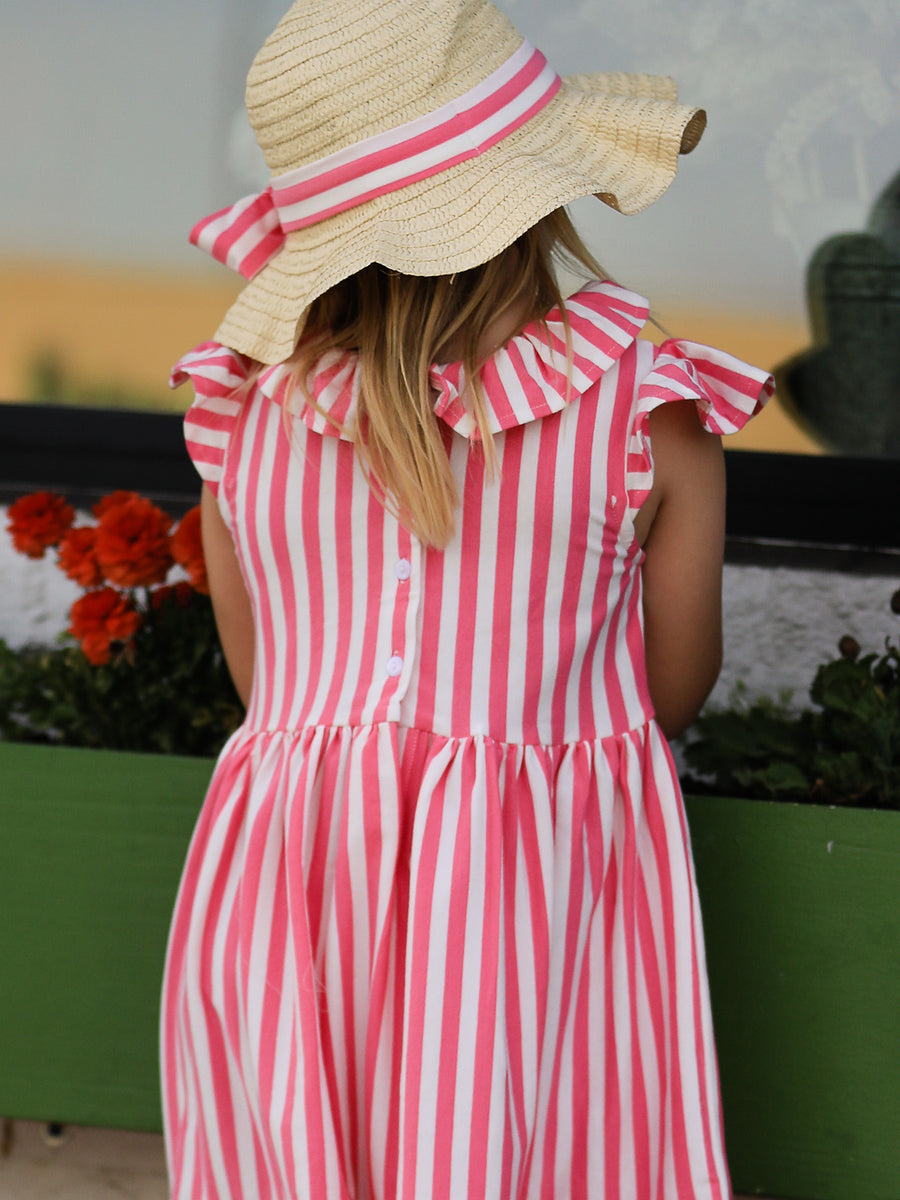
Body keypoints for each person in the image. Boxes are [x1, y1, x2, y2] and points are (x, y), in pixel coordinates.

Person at [161, 1, 774, 1196]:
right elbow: (669, 688)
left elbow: (262, 682)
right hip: (530, 900)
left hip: (288, 897)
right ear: (535, 196)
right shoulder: (646, 412)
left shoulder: (243, 415)